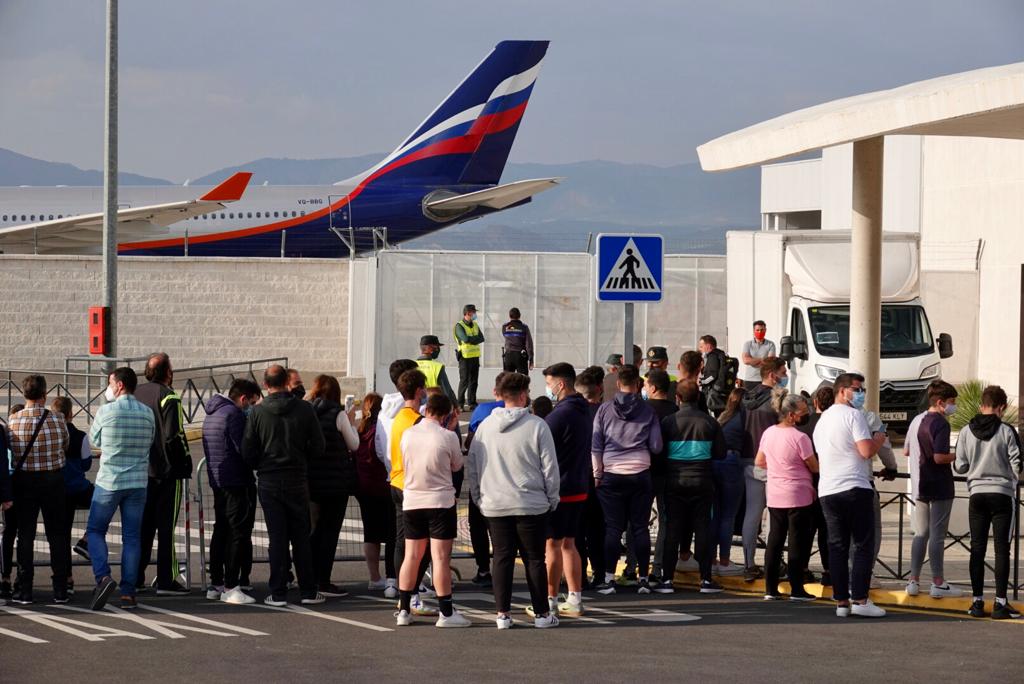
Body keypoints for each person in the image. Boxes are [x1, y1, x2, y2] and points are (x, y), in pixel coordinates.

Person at [467, 372, 561, 629]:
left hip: (494, 503)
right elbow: (550, 468)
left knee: (501, 557)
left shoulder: (484, 427)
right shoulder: (538, 426)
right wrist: (552, 498)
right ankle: (542, 614)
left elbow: (473, 466)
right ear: (522, 395)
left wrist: (478, 496)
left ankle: (502, 615)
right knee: (534, 558)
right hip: (531, 503)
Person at [242, 364, 326, 606]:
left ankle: (278, 591)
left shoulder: (257, 413)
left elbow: (247, 449)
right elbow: (318, 446)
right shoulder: (304, 409)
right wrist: (301, 459)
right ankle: (308, 590)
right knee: (301, 536)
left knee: (276, 538)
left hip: (269, 478)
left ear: (266, 385)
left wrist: (262, 463)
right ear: (287, 382)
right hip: (297, 477)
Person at [813, 372, 888, 618]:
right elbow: (866, 451)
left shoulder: (822, 421)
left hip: (828, 489)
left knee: (837, 546)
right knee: (863, 544)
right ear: (842, 390)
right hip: (855, 486)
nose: (860, 393)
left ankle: (841, 602)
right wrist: (878, 438)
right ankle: (860, 599)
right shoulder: (854, 416)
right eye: (857, 389)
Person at [395, 393, 469, 627]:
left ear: (426, 410)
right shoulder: (447, 437)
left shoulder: (408, 434)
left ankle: (404, 609)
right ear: (446, 414)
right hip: (440, 501)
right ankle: (446, 612)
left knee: (412, 556)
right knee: (440, 558)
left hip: (413, 500)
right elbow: (457, 464)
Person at [86, 368, 156, 610]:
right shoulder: (147, 413)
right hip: (138, 482)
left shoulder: (107, 411)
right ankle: (129, 592)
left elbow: (94, 440)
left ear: (119, 386)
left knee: (95, 530)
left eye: (110, 383)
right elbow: (151, 440)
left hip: (110, 480)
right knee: (132, 538)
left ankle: (103, 577)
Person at [591, 364, 662, 594]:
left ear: (618, 384)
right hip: (640, 473)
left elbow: (596, 446)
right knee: (640, 527)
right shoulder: (648, 410)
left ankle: (609, 578)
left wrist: (597, 474)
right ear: (638, 384)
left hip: (611, 473)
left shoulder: (604, 410)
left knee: (612, 528)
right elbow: (657, 446)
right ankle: (642, 578)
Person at [954, 385, 1022, 619]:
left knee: (977, 548)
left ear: (981, 405)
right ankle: (1001, 603)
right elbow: (1017, 464)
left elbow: (960, 465)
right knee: (1002, 548)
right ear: (1001, 407)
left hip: (977, 495)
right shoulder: (1006, 431)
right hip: (1002, 494)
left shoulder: (965, 431)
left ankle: (977, 602)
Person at [656, 380, 725, 594]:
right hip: (702, 481)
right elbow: (721, 453)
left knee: (673, 528)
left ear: (677, 397)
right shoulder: (710, 423)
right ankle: (705, 580)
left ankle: (667, 579)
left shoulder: (668, 422)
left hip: (674, 482)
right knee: (703, 528)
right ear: (698, 397)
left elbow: (658, 452)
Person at [534, 363, 591, 618]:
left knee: (552, 545)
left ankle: (549, 599)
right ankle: (575, 598)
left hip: (561, 488)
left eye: (549, 382)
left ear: (561, 384)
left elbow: (540, 447)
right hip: (579, 484)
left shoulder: (559, 415)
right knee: (570, 543)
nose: (548, 388)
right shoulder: (583, 410)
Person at [6, 375, 69, 605]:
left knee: (25, 535)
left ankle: (25, 589)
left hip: (24, 481)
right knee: (57, 535)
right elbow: (65, 444)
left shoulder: (13, 421)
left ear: (24, 394)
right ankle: (60, 588)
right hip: (53, 480)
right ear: (44, 394)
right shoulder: (58, 419)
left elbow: (10, 451)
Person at [135, 353, 193, 595]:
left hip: (141, 470)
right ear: (168, 372)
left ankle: (136, 576)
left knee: (143, 527)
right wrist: (185, 463)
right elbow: (174, 436)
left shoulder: (137, 393)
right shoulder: (169, 396)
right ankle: (167, 579)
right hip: (167, 471)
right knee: (166, 528)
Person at [202, 379, 261, 604]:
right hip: (236, 480)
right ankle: (231, 585)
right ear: (243, 398)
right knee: (237, 532)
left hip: (218, 479)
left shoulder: (213, 413)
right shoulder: (233, 415)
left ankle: (216, 583)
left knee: (221, 530)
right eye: (252, 402)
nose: (252, 407)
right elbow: (244, 448)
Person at [755, 393, 818, 601]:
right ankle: (797, 588)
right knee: (796, 543)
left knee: (775, 540)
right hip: (798, 495)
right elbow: (814, 466)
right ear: (791, 415)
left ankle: (770, 588)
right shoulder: (800, 438)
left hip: (774, 493)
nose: (806, 415)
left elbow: (760, 461)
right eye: (803, 412)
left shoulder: (769, 433)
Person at [906, 380, 963, 599]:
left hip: (919, 485)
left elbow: (907, 452)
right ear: (940, 403)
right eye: (951, 402)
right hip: (939, 485)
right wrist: (958, 456)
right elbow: (940, 457)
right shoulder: (940, 424)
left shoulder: (916, 421)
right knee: (937, 536)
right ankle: (938, 581)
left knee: (921, 534)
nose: (953, 406)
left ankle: (913, 580)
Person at [387, 369, 437, 616]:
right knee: (420, 545)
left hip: (396, 481)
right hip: (413, 486)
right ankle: (413, 592)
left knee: (402, 542)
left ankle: (405, 592)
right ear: (419, 391)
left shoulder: (399, 417)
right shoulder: (416, 421)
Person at [306, 375, 360, 597]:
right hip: (335, 484)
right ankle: (323, 581)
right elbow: (354, 444)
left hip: (311, 481)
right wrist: (352, 422)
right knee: (330, 533)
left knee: (312, 531)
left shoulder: (306, 411)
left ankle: (307, 578)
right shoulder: (338, 414)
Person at [740, 356, 787, 582]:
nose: (785, 374)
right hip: (772, 463)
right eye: (783, 371)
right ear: (772, 375)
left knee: (753, 513)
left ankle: (749, 563)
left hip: (748, 460)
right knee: (773, 516)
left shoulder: (747, 397)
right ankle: (772, 563)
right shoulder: (777, 400)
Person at [354, 393, 398, 597]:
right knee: (392, 533)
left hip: (364, 488)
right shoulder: (381, 431)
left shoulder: (360, 431)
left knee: (370, 534)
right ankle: (392, 577)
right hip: (384, 486)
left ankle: (374, 577)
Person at [52, 396, 93, 582]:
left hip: (59, 491)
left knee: (62, 535)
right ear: (71, 414)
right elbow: (86, 465)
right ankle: (86, 538)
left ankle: (66, 578)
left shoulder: (51, 433)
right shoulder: (81, 436)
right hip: (79, 488)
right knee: (103, 504)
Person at [643, 369, 678, 584]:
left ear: (653, 388)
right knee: (665, 521)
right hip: (668, 471)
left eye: (646, 385)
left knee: (639, 521)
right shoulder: (675, 411)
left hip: (645, 471)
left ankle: (635, 565)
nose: (645, 389)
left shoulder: (644, 411)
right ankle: (658, 567)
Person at [798, 386, 834, 586]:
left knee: (806, 530)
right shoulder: (834, 424)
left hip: (807, 483)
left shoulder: (804, 425)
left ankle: (802, 568)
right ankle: (829, 570)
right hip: (829, 481)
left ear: (815, 403)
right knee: (827, 529)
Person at [574, 368, 606, 589]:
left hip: (577, 476)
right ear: (600, 390)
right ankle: (600, 573)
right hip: (601, 477)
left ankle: (579, 576)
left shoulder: (573, 414)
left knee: (577, 530)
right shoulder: (606, 413)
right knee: (598, 528)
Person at [711, 388, 746, 576]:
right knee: (728, 515)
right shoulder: (743, 418)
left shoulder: (723, 418)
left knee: (715, 514)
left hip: (714, 462)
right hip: (732, 462)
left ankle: (711, 559)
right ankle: (724, 561)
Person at [0, 404, 23, 601]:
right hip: (22, 487)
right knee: (22, 534)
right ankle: (20, 579)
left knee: (8, 534)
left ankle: (5, 577)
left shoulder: (6, 434)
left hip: (10, 487)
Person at [454, 304, 485, 411]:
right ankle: (460, 404)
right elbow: (465, 339)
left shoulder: (475, 325)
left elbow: (482, 338)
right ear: (468, 313)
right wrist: (474, 339)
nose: (475, 314)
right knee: (464, 381)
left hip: (474, 357)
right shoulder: (459, 326)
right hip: (464, 357)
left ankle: (472, 403)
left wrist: (472, 339)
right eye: (473, 312)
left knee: (474, 381)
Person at [416, 335, 458, 405]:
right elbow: (447, 391)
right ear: (429, 348)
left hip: (416, 407)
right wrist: (455, 405)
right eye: (436, 347)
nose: (438, 349)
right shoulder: (437, 367)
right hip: (434, 407)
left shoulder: (412, 365)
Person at [697, 335, 730, 414]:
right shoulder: (720, 355)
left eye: (701, 346)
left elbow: (712, 375)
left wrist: (702, 382)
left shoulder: (712, 356)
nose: (700, 349)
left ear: (708, 346)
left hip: (713, 391)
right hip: (719, 390)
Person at [740, 320, 776, 387]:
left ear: (765, 330)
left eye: (762, 330)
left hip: (765, 380)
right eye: (757, 330)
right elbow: (745, 360)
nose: (760, 332)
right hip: (750, 380)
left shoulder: (770, 344)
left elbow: (770, 362)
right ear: (754, 331)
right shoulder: (748, 344)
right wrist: (762, 359)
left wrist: (752, 360)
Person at [501, 307, 535, 374]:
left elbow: (506, 336)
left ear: (509, 316)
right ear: (519, 316)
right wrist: (531, 360)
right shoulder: (524, 327)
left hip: (508, 355)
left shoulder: (505, 327)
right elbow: (529, 344)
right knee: (522, 380)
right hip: (520, 356)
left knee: (508, 380)